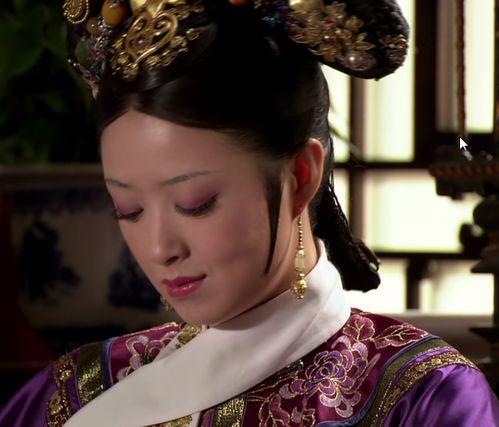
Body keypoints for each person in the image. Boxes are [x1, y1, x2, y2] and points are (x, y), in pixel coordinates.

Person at [2, 0, 499, 425]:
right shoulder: (73, 392)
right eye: (128, 210)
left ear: (300, 175)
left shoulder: (421, 396)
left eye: (195, 203)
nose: (159, 248)